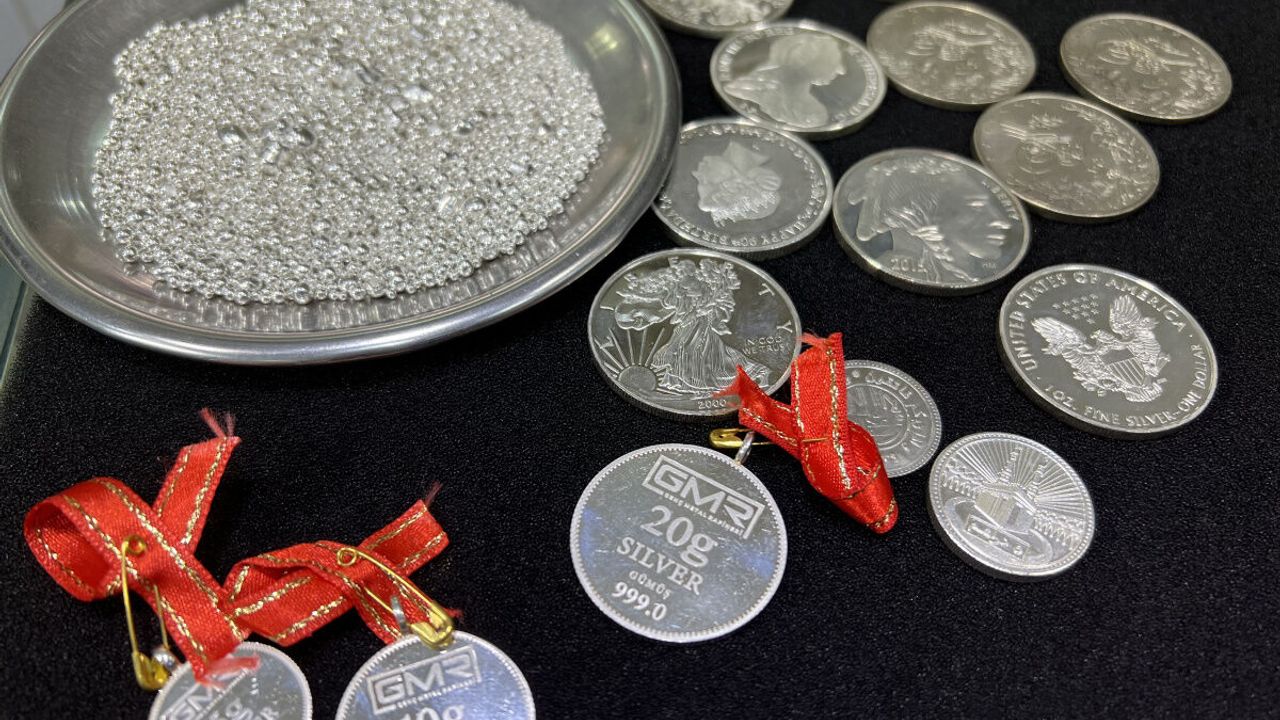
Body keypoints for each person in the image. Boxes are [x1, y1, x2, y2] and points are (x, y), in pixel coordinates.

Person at [723, 33, 846, 128]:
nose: (841, 71)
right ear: (806, 61)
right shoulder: (745, 87)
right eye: (832, 61)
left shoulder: (815, 112)